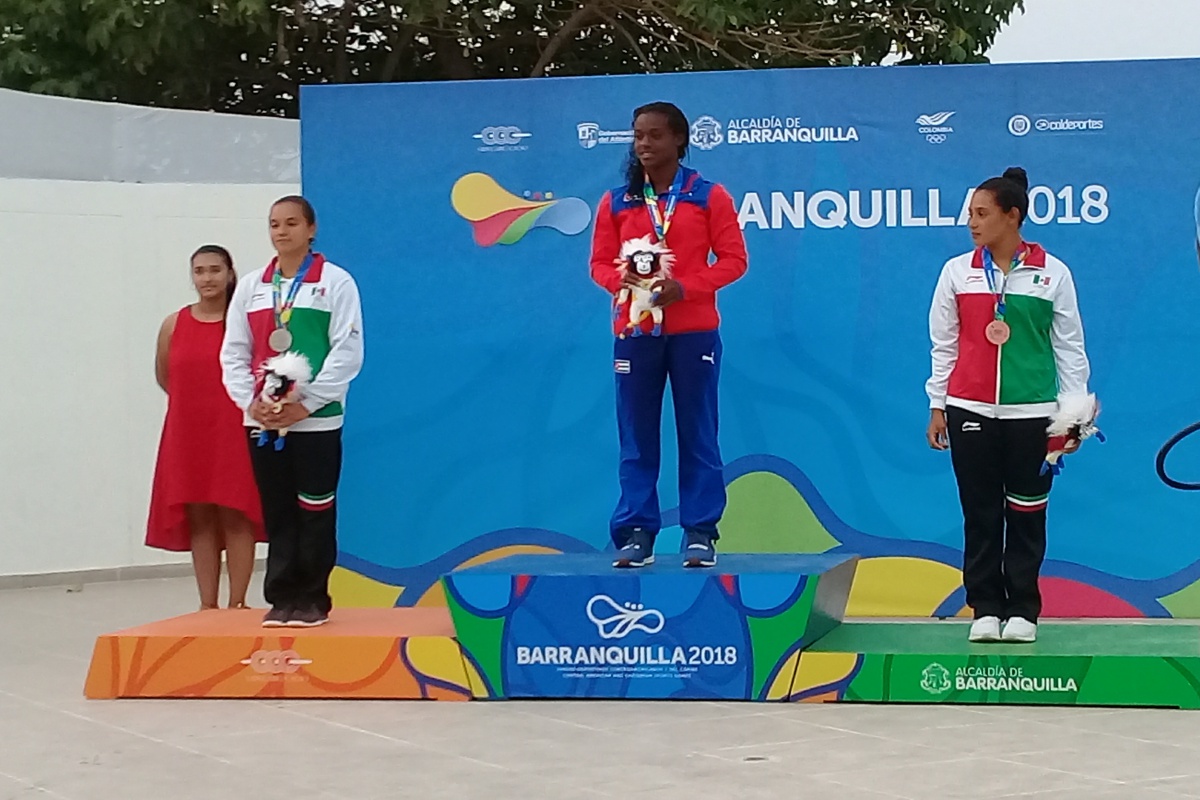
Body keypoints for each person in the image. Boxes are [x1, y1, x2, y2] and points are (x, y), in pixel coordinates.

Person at [925, 167, 1091, 643]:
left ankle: (1023, 610)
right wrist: (939, 404)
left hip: (1033, 415)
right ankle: (984, 607)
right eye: (970, 213)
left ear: (1012, 216)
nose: (972, 223)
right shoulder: (957, 272)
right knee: (979, 513)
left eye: (982, 213)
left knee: (1027, 512)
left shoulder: (1052, 273)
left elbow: (1070, 348)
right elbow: (944, 344)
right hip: (969, 410)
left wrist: (1074, 416)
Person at [589, 101, 748, 569]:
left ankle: (700, 531)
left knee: (698, 432)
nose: (643, 144)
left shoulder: (708, 195)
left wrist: (686, 288)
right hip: (635, 332)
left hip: (693, 332)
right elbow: (599, 262)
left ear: (679, 140)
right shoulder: (617, 201)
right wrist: (624, 285)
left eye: (655, 135)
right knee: (636, 435)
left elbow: (735, 260)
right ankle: (637, 531)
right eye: (638, 135)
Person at [220, 196, 364, 628]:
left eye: (291, 223)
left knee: (315, 508)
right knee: (278, 510)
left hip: (316, 419)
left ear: (311, 228)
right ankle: (281, 598)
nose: (281, 232)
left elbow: (348, 350)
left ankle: (313, 599)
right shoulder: (251, 286)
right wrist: (251, 402)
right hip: (263, 421)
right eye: (274, 224)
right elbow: (234, 351)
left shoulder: (335, 283)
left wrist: (307, 404)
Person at [146, 245, 265, 610]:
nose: (207, 278)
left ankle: (238, 603)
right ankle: (207, 605)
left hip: (233, 429)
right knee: (199, 516)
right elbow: (165, 376)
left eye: (215, 270)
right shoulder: (173, 323)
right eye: (200, 271)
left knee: (236, 512)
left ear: (231, 274)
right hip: (188, 432)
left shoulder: (245, 321)